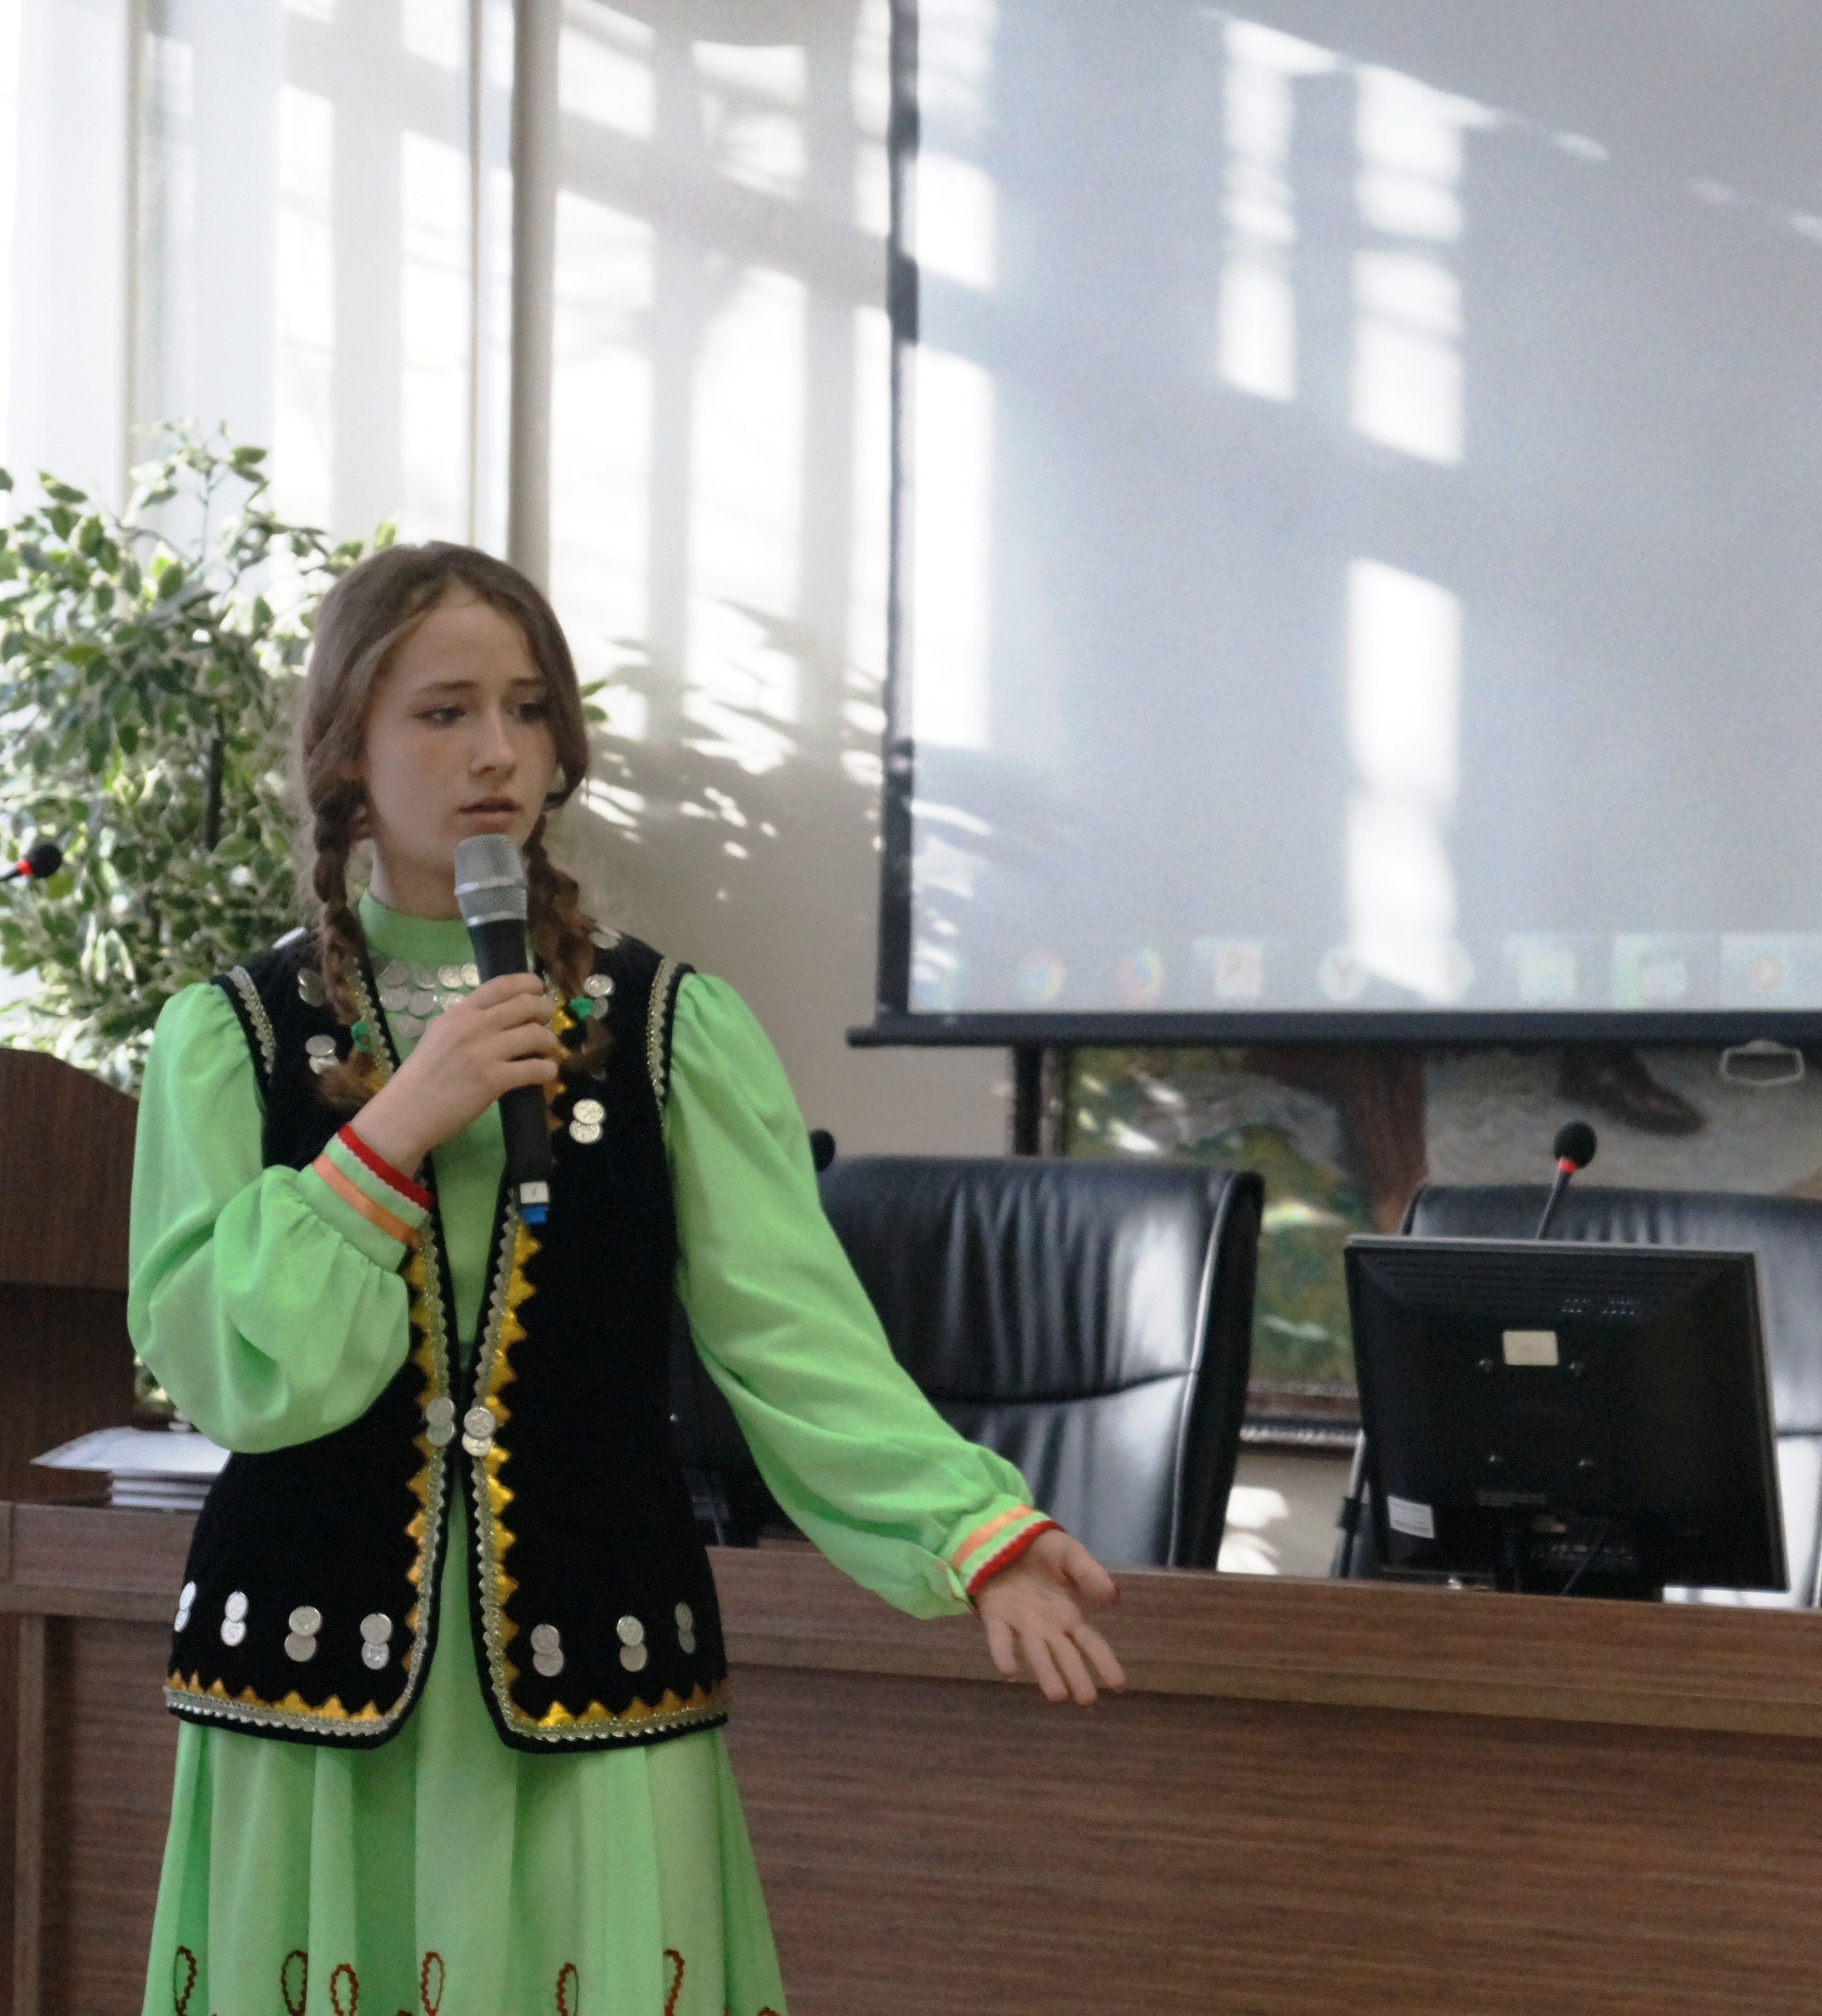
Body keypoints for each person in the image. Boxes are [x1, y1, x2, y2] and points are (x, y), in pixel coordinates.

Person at [128, 542, 1125, 2016]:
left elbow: (793, 1334)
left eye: (528, 709)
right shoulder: (229, 1040)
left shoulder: (670, 1030)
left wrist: (971, 1529)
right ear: (345, 751)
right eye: (445, 712)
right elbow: (230, 1368)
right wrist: (395, 1129)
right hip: (306, 1677)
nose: (497, 752)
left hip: (595, 1653)